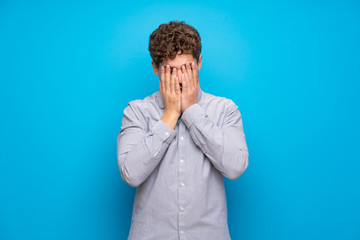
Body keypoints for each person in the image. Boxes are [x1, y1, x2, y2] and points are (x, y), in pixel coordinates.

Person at [117, 20, 249, 240]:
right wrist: (169, 115)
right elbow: (131, 174)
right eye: (170, 70)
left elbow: (235, 167)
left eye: (186, 68)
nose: (179, 79)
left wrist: (191, 110)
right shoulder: (137, 111)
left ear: (199, 63)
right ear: (155, 68)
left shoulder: (225, 109)